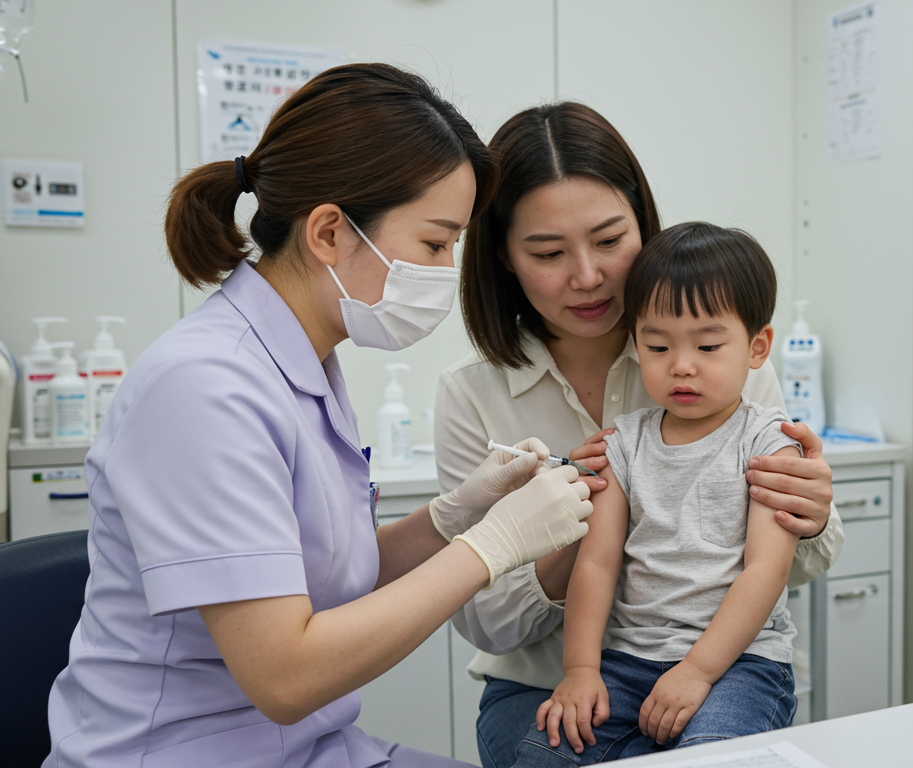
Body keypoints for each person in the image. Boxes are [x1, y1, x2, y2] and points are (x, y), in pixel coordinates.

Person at [43, 63, 592, 768]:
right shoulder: (204, 388)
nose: (446, 269)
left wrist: (452, 517)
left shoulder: (304, 364)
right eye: (434, 243)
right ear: (329, 232)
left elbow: (324, 577)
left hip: (309, 749)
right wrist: (492, 547)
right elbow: (285, 676)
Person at [434, 102, 843, 768]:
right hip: (552, 677)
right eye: (548, 252)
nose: (587, 275)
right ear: (503, 255)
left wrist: (812, 515)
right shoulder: (470, 392)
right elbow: (485, 621)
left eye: (608, 240)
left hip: (727, 663)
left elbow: (784, 565)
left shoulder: (727, 366)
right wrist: (565, 525)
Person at [521, 222, 801, 765]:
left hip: (741, 663)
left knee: (710, 758)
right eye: (657, 345)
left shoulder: (769, 442)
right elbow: (596, 563)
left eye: (708, 345)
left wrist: (696, 670)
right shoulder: (622, 444)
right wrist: (581, 670)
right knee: (543, 754)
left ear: (757, 346)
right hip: (629, 662)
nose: (682, 365)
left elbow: (766, 570)